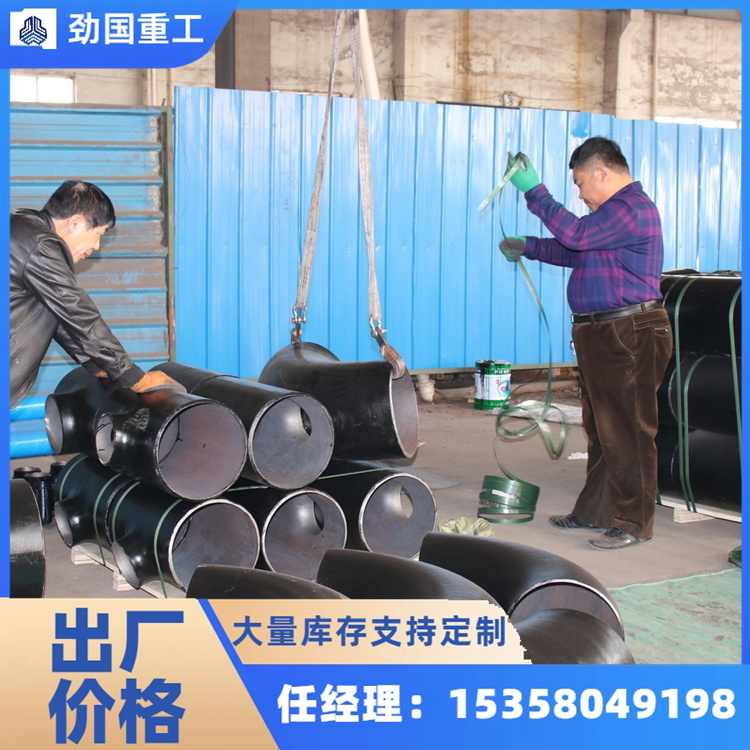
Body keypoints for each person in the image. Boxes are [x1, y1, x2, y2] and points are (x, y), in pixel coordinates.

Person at [500, 137, 673, 550]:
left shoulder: (632, 209)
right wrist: (531, 247)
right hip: (604, 333)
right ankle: (596, 511)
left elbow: (576, 235)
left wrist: (535, 192)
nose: (579, 194)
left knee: (628, 430)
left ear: (602, 172)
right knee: (602, 428)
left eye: (580, 184)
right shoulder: (611, 216)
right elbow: (578, 253)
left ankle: (634, 523)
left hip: (628, 331)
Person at [10, 180, 184, 408]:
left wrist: (98, 365)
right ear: (75, 223)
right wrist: (135, 378)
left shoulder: (23, 230)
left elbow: (59, 314)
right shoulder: (39, 246)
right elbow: (75, 310)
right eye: (98, 234)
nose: (96, 246)